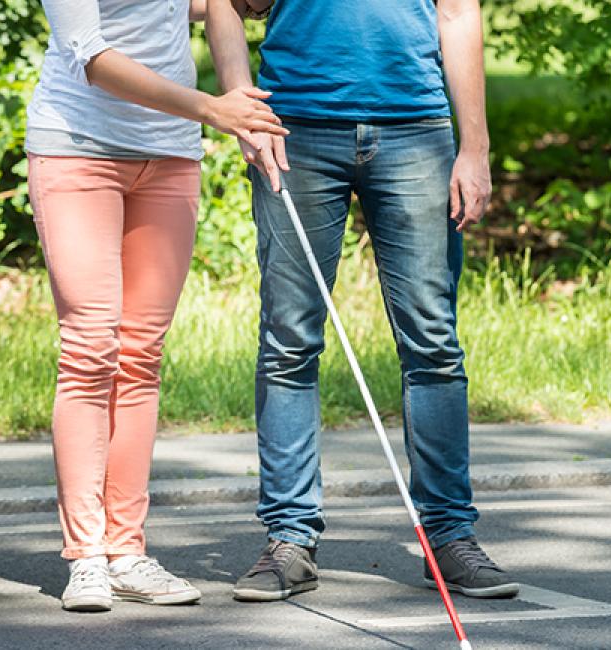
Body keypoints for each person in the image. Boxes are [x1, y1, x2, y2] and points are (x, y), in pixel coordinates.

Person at [206, 0, 519, 602]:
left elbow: (458, 13)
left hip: (416, 131)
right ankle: (289, 539)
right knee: (288, 342)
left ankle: (449, 535)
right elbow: (227, 4)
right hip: (294, 127)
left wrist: (474, 147)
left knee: (432, 342)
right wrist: (244, 107)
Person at [26, 0, 287, 612]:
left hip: (169, 158)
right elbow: (90, 57)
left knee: (141, 355)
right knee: (92, 347)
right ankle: (85, 556)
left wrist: (244, 103)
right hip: (77, 149)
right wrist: (213, 110)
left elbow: (218, 4)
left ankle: (127, 551)